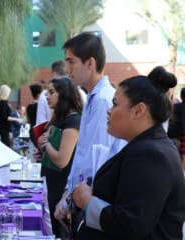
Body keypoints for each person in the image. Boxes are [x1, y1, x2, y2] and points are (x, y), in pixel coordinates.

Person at [71, 73, 185, 239]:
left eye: (115, 104)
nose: (109, 111)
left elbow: (132, 223)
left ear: (139, 110)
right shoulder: (144, 147)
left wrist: (88, 202)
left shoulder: (152, 155)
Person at [54, 32, 126, 236]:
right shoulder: (92, 98)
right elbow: (81, 155)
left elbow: (97, 161)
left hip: (93, 201)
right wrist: (67, 194)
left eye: (71, 62)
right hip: (81, 198)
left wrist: (70, 199)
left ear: (90, 63)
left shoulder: (104, 101)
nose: (67, 70)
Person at [37, 77, 82, 238]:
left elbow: (62, 160)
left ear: (63, 94)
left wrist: (46, 145)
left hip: (60, 186)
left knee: (59, 232)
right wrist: (43, 151)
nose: (47, 96)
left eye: (51, 92)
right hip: (51, 183)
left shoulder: (73, 121)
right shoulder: (60, 118)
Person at [168, 87, 185, 170]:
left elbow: (171, 119)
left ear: (181, 96)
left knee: (178, 153)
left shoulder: (175, 106)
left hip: (175, 133)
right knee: (183, 154)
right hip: (181, 134)